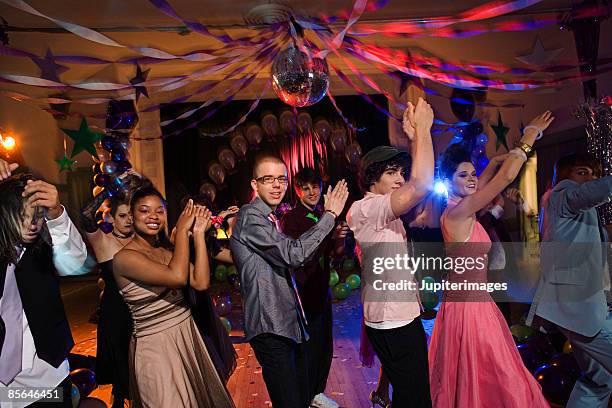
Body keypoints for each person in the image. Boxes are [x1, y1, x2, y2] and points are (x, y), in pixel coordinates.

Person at [429, 111, 554, 408]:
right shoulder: (459, 213)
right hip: (470, 307)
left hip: (469, 302)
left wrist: (493, 163)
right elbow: (506, 179)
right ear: (447, 180)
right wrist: (528, 137)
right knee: (497, 372)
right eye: (463, 175)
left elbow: (483, 184)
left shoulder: (460, 208)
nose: (472, 179)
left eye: (473, 173)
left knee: (485, 373)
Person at [230, 152, 348, 408]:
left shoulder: (266, 218)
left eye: (281, 179)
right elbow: (294, 254)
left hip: (284, 322)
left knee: (299, 397)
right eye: (268, 179)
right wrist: (329, 215)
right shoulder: (251, 217)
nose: (276, 185)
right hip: (269, 325)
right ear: (255, 184)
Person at [347, 97, 435, 408]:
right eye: (391, 173)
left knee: (409, 393)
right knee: (417, 399)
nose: (399, 178)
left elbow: (416, 187)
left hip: (395, 316)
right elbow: (421, 183)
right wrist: (424, 129)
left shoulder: (380, 210)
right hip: (394, 320)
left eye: (400, 171)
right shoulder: (370, 208)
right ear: (373, 178)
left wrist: (416, 141)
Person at [113, 187, 234, 408]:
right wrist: (181, 232)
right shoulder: (124, 258)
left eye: (159, 211)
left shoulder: (167, 253)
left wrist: (197, 234)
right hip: (156, 346)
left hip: (186, 336)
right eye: (144, 210)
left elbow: (200, 282)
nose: (153, 216)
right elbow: (177, 277)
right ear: (131, 216)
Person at [0, 160, 89, 408]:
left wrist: (57, 214)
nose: (32, 223)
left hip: (47, 376)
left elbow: (75, 262)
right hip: (4, 390)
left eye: (37, 214)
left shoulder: (42, 249)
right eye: (22, 214)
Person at [527, 153, 612, 408]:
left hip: (580, 309)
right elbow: (591, 193)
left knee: (601, 381)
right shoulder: (563, 194)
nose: (590, 179)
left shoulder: (573, 210)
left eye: (594, 174)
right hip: (578, 310)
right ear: (563, 177)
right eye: (582, 172)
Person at [279, 167, 347, 408]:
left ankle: (316, 392)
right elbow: (300, 256)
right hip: (303, 292)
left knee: (323, 344)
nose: (311, 192)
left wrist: (339, 237)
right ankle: (307, 394)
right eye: (305, 188)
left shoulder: (323, 215)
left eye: (315, 187)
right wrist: (328, 229)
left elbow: (334, 255)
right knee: (309, 346)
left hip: (321, 290)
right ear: (297, 191)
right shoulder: (292, 219)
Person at [81, 192, 133, 408]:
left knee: (139, 364)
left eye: (131, 214)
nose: (129, 219)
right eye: (122, 215)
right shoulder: (102, 240)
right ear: (111, 217)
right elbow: (85, 215)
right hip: (115, 312)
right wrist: (110, 189)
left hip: (139, 309)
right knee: (120, 365)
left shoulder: (142, 240)